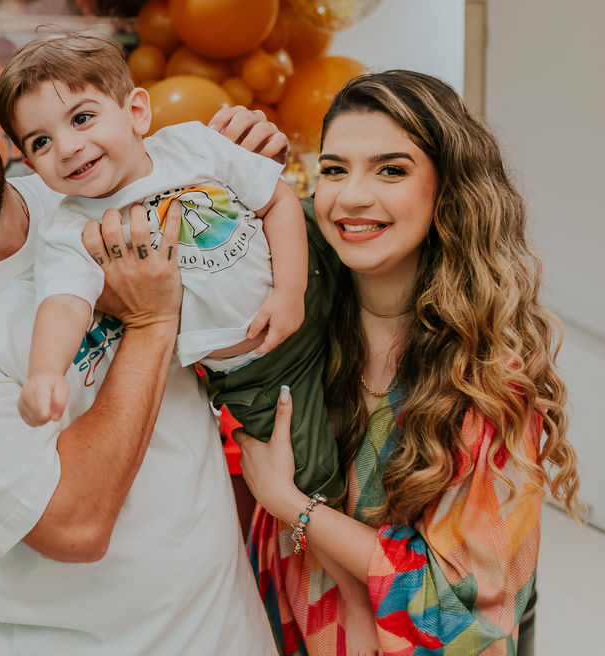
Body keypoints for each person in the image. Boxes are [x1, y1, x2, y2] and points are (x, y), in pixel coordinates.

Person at [0, 36, 280, 655]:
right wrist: (148, 322)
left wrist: (246, 160)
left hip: (233, 631)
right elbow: (74, 524)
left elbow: (242, 257)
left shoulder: (89, 187)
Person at [0, 29, 376, 649]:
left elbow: (277, 200)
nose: (67, 146)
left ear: (136, 111)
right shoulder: (72, 230)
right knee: (311, 471)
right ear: (29, 163)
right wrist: (45, 372)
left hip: (305, 291)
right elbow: (61, 304)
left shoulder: (193, 145)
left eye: (82, 117)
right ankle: (356, 595)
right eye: (41, 141)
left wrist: (290, 294)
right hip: (255, 369)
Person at [233, 70, 583, 656]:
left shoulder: (490, 384)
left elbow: (459, 617)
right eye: (334, 169)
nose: (351, 196)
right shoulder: (296, 328)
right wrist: (230, 171)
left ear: (447, 191)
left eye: (390, 170)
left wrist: (292, 505)